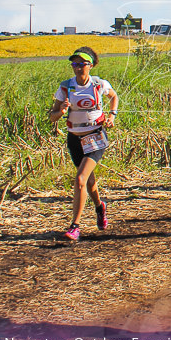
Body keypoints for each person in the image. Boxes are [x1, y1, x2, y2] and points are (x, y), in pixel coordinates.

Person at [48, 47, 118, 241]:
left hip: (95, 136)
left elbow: (114, 97)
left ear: (91, 65)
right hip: (74, 139)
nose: (78, 68)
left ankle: (75, 226)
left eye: (82, 64)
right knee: (88, 180)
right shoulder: (65, 87)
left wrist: (112, 116)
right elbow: (52, 117)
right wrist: (60, 111)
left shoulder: (98, 84)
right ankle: (99, 206)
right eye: (74, 64)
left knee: (80, 179)